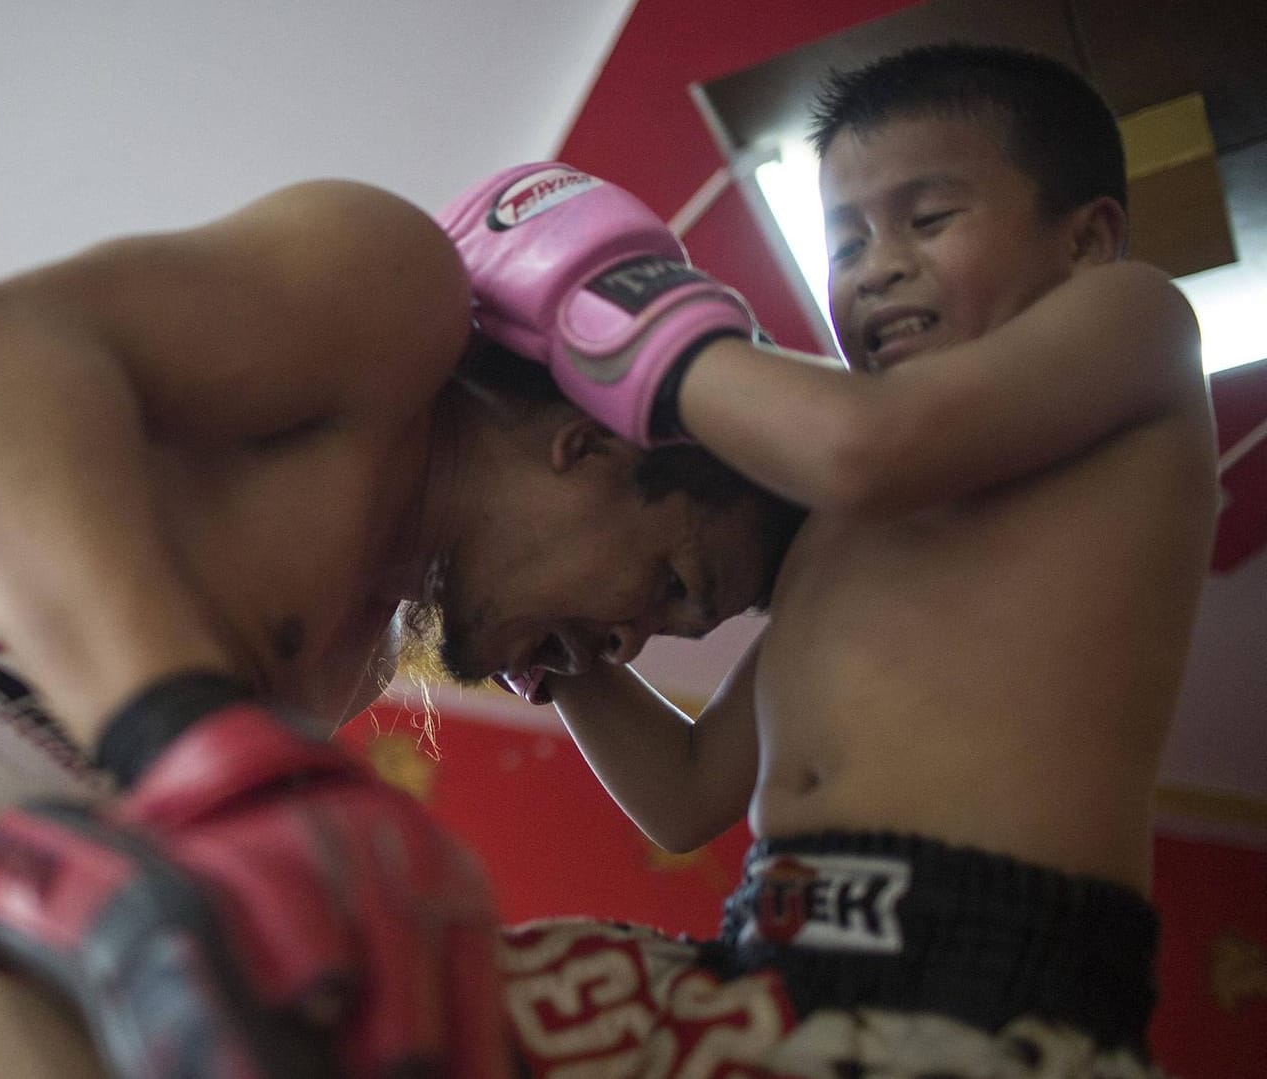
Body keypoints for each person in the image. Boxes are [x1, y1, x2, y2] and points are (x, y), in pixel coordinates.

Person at [0, 176, 803, 1077]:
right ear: (589, 443)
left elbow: (685, 796)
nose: (636, 640)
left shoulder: (355, 646)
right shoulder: (396, 299)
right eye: (678, 586)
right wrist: (186, 734)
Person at [452, 44, 1216, 1076]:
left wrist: (603, 309)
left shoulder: (1136, 321)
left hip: (992, 984)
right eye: (844, 238)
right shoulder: (846, 527)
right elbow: (684, 795)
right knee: (421, 997)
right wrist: (542, 630)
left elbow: (868, 444)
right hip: (772, 959)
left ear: (1088, 240)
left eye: (928, 218)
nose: (878, 263)